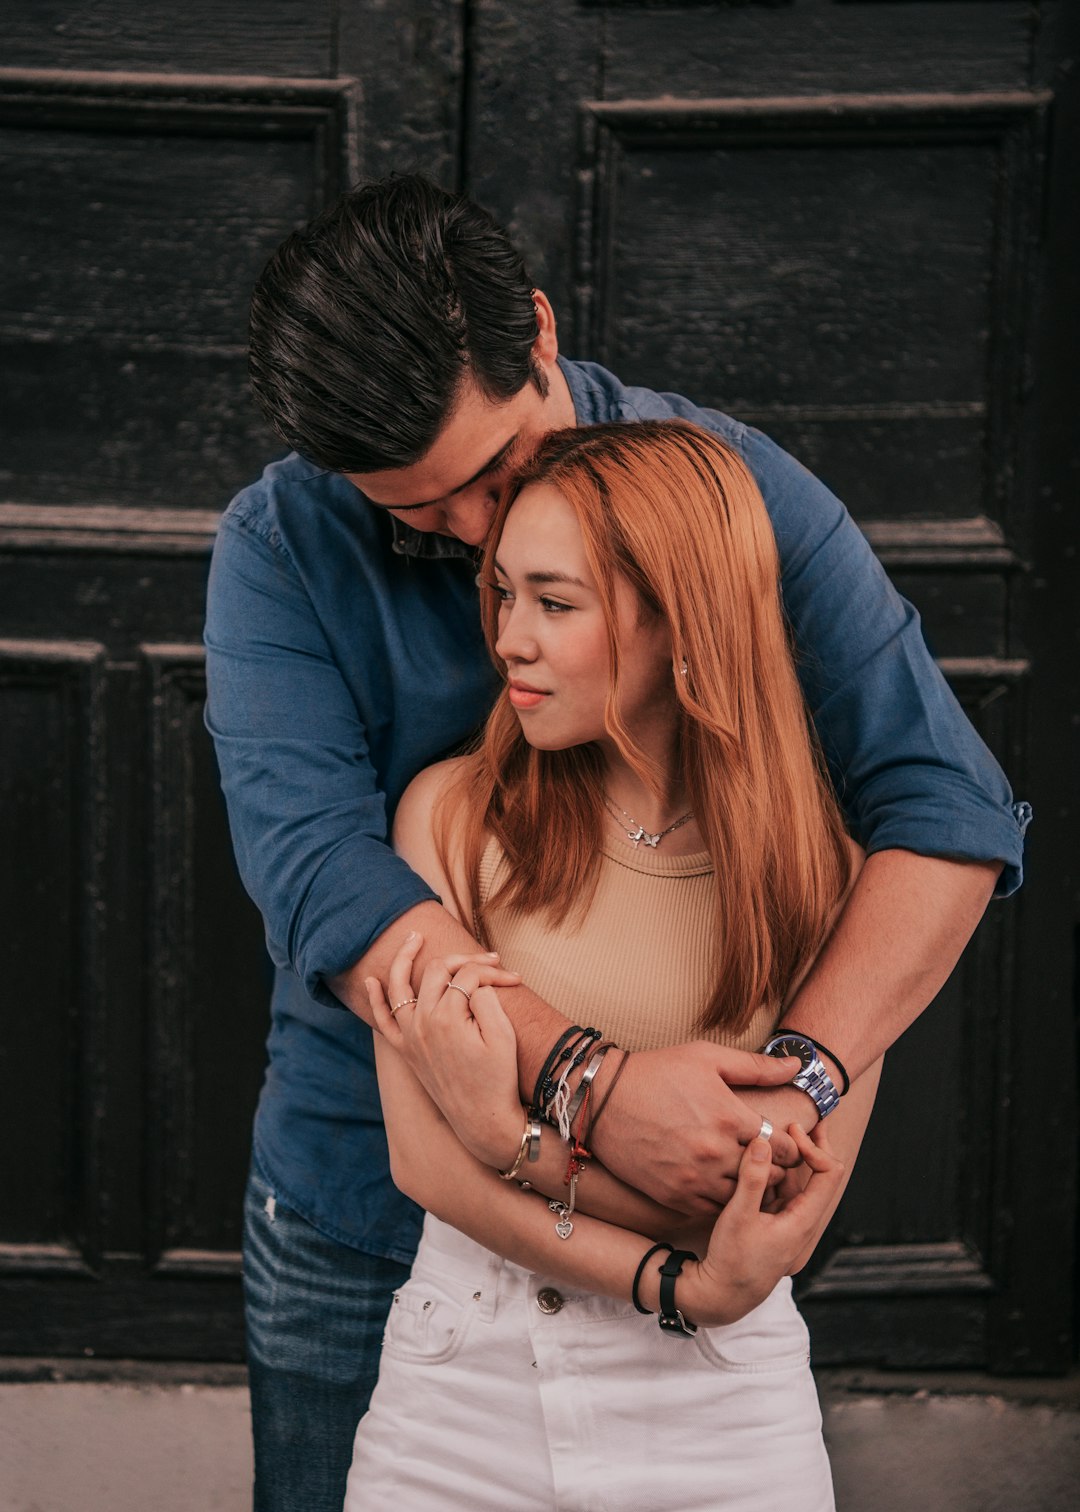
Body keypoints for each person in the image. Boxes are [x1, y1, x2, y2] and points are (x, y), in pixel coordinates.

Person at [204, 173, 1028, 1510]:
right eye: (416, 517)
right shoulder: (283, 541)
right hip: (366, 1212)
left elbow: (946, 809)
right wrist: (594, 1091)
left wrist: (792, 1094)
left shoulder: (733, 498)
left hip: (687, 1229)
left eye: (488, 479)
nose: (474, 552)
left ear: (535, 332)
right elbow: (327, 883)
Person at [343, 419, 882, 1510]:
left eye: (556, 602)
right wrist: (677, 1282)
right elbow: (422, 1163)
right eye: (504, 595)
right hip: (460, 1392)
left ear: (678, 619)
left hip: (722, 1416)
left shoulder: (827, 874)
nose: (508, 640)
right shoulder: (448, 819)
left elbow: (753, 1215)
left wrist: (508, 1134)